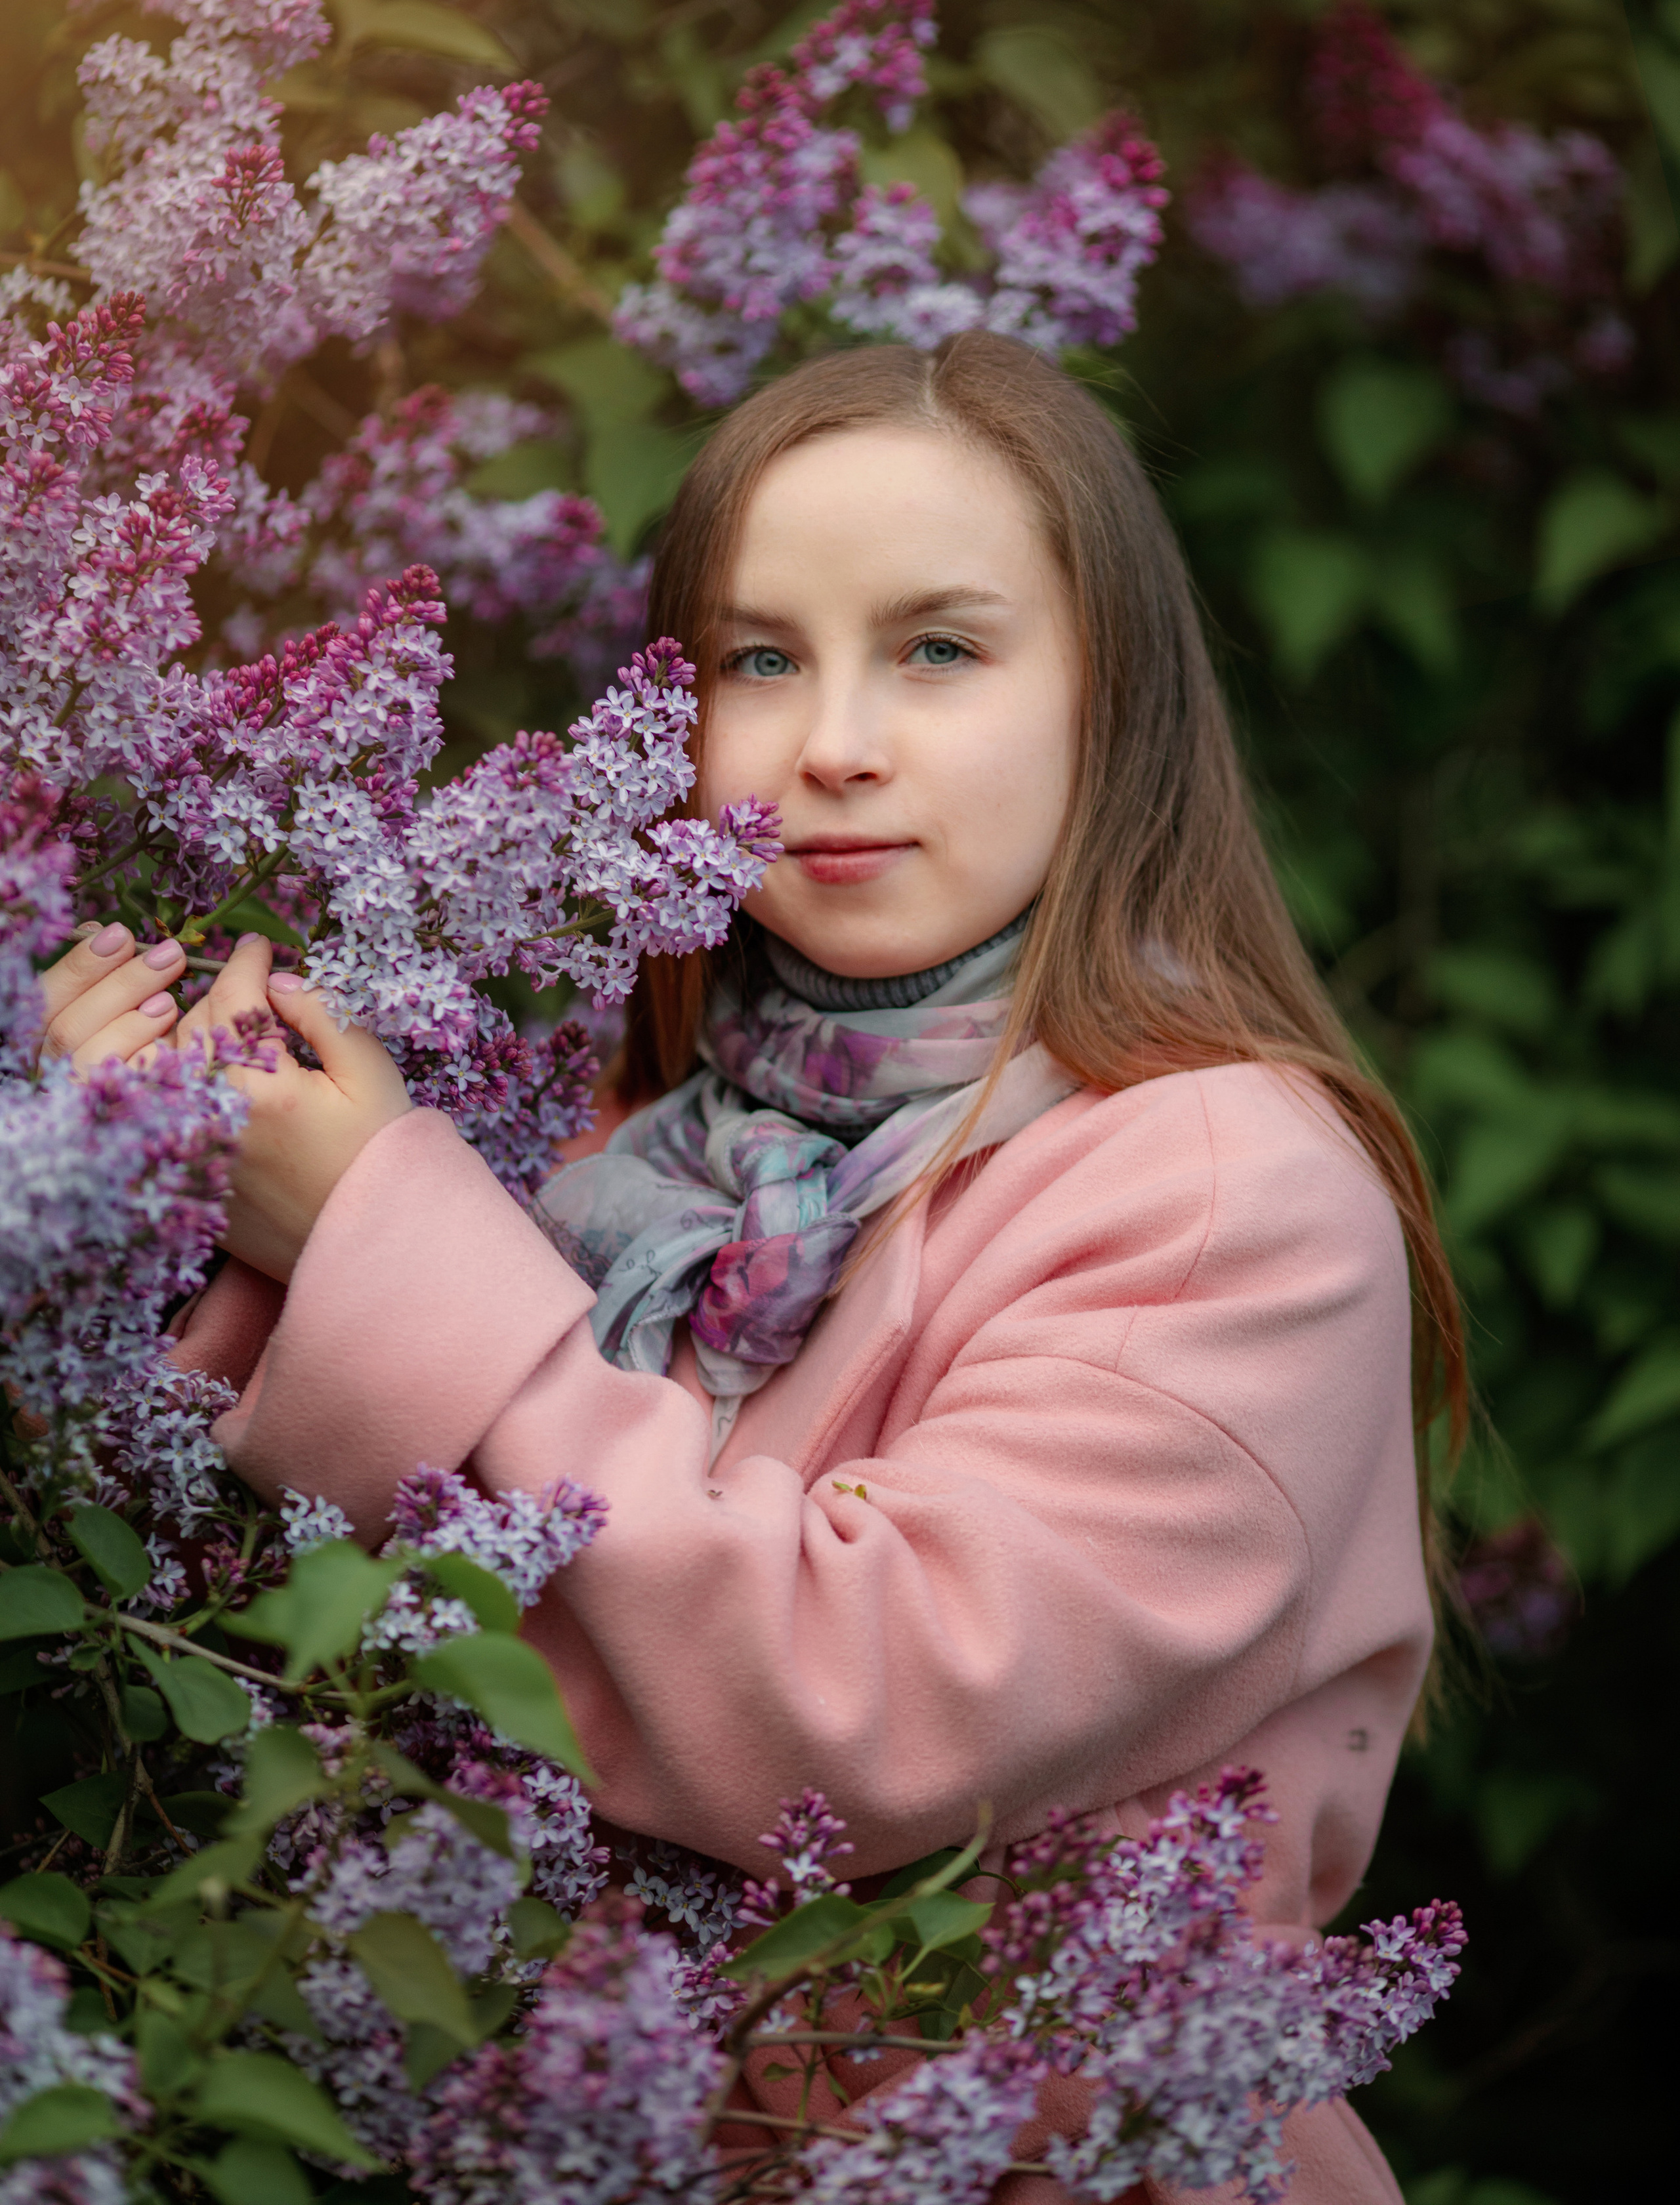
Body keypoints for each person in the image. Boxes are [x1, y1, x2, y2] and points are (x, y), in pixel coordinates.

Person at [41, 332, 1463, 2202]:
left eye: (941, 648)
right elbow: (383, 1581)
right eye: (758, 657)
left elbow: (868, 1708)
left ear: (1113, 699)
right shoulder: (633, 1141)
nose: (835, 741)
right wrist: (149, 1196)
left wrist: (380, 1225)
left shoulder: (1222, 1183)